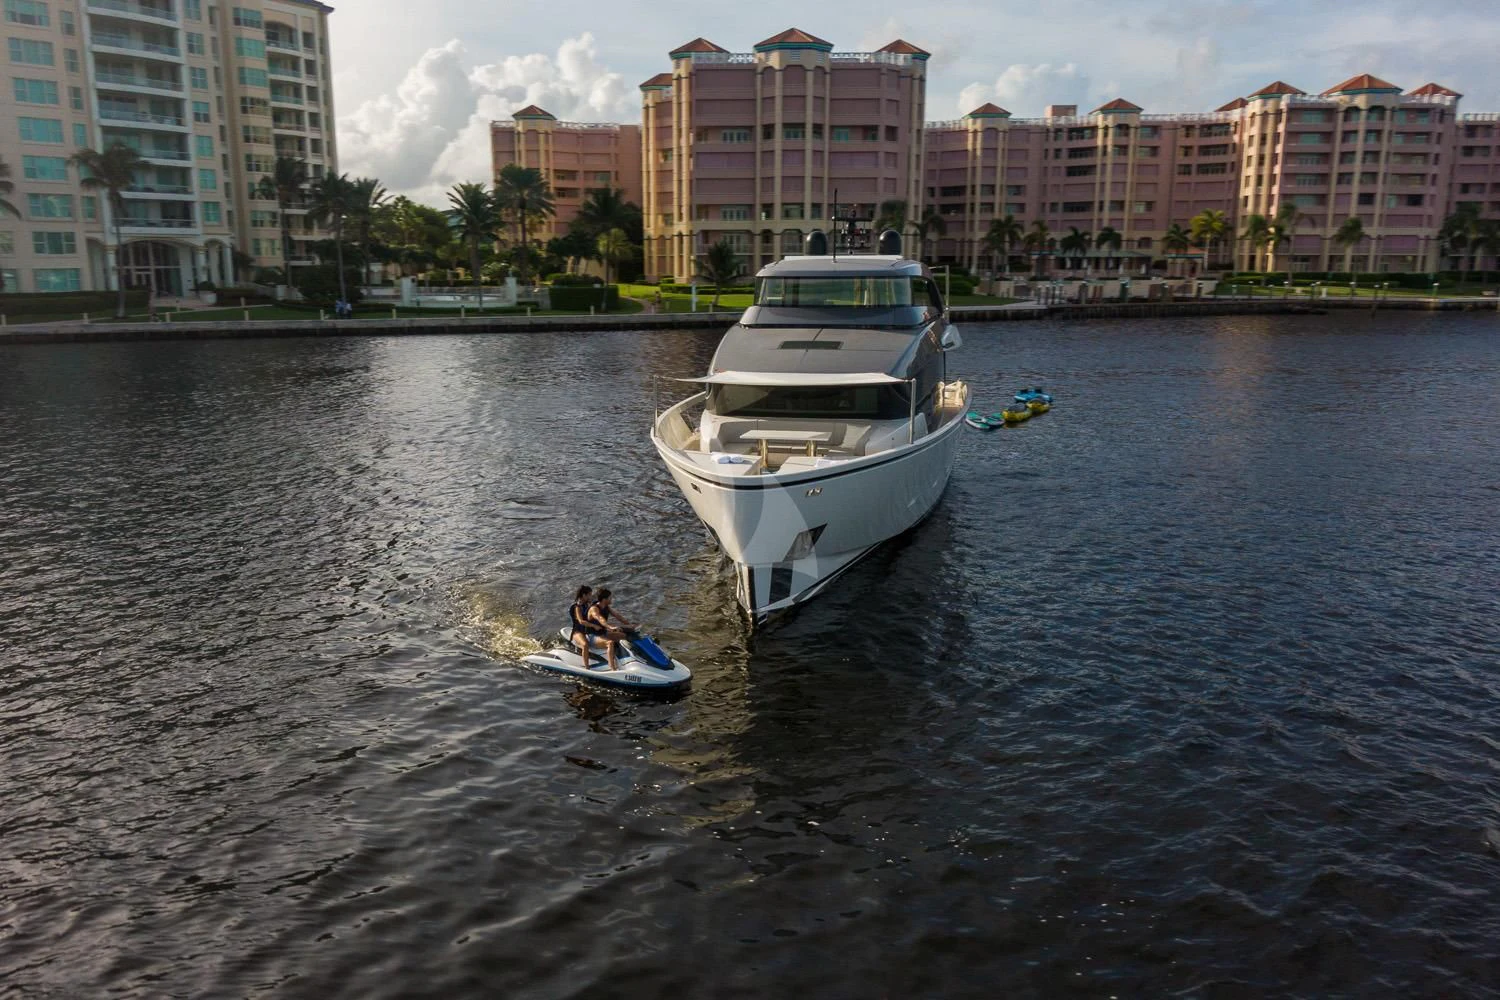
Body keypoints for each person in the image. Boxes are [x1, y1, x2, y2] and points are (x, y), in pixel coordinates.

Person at [568, 584, 613, 670]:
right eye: (589, 595)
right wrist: (594, 625)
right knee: (585, 645)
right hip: (578, 631)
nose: (591, 596)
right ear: (584, 595)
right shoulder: (577, 607)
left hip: (587, 631)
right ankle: (587, 667)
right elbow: (581, 621)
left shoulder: (587, 604)